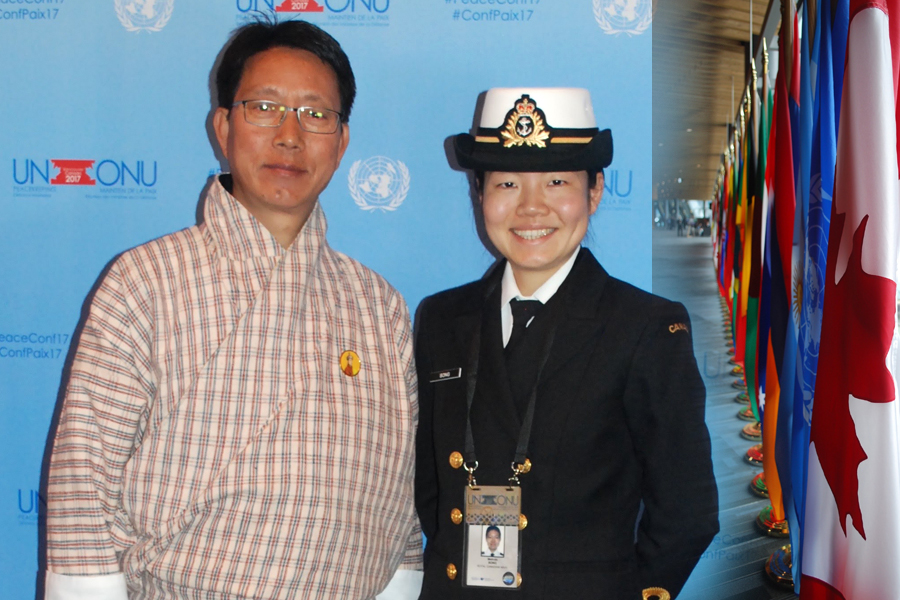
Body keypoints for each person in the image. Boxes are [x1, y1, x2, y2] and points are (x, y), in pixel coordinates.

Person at [45, 19, 422, 600]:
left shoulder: (379, 305)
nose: (290, 136)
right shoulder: (146, 280)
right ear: (223, 126)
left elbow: (402, 509)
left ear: (342, 142)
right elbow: (83, 489)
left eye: (316, 114)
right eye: (264, 107)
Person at [414, 88, 718, 599]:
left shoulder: (644, 327)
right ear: (480, 193)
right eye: (507, 182)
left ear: (595, 192)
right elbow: (428, 487)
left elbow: (686, 511)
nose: (531, 207)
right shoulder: (444, 318)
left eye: (557, 181)